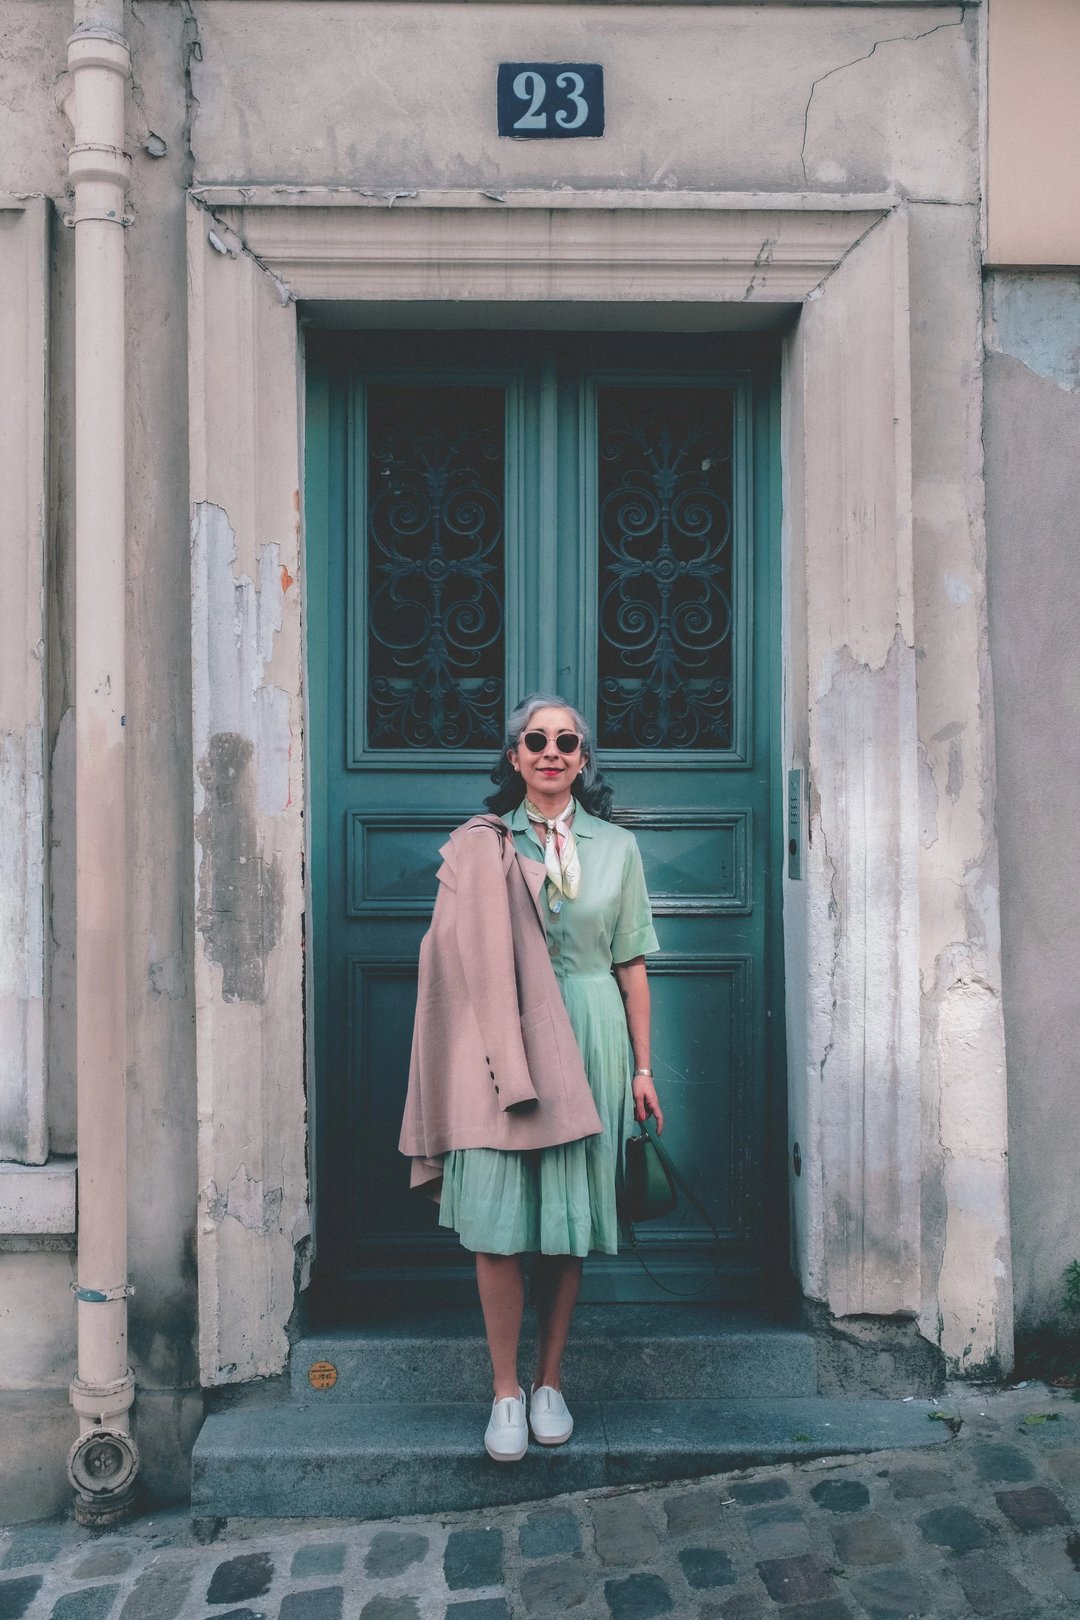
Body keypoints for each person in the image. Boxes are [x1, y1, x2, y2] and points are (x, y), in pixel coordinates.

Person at [414, 693, 664, 1462]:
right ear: (515, 757)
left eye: (566, 741)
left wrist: (643, 1068)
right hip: (498, 1045)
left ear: (583, 760)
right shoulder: (479, 847)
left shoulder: (616, 850)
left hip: (587, 1038)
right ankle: (505, 1392)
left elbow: (631, 965)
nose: (551, 751)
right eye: (536, 740)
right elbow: (447, 959)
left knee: (565, 1225)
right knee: (496, 1225)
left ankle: (549, 1381)